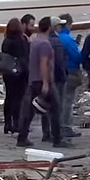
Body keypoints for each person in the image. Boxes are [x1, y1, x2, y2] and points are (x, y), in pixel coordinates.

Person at [18, 17, 70, 148]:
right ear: (50, 28)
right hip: (43, 80)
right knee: (56, 110)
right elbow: (44, 63)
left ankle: (22, 137)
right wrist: (46, 83)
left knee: (29, 110)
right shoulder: (45, 44)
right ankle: (57, 139)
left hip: (33, 79)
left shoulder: (34, 41)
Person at [56, 14, 84, 138]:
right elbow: (77, 57)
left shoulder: (55, 38)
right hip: (70, 71)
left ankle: (55, 126)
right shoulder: (68, 39)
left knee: (58, 100)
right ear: (68, 24)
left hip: (56, 72)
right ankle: (65, 126)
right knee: (67, 101)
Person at [0, 18, 29, 135]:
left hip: (8, 71)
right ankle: (16, 123)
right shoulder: (22, 40)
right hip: (20, 71)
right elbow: (25, 55)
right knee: (19, 98)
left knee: (9, 97)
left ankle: (8, 123)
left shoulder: (6, 41)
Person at [43, 17, 68, 142]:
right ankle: (56, 134)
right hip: (57, 77)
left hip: (45, 77)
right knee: (57, 106)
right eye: (59, 25)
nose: (61, 27)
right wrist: (63, 75)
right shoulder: (57, 42)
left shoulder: (44, 40)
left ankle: (46, 132)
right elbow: (59, 61)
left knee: (45, 106)